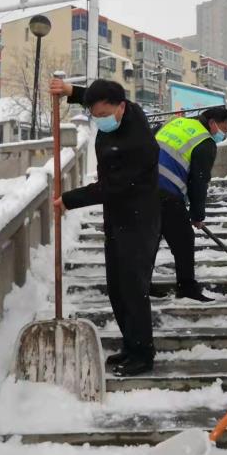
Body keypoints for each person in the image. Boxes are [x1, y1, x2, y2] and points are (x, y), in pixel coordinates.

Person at [50, 78, 160, 377]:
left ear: (120, 108)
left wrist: (68, 200)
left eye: (102, 116)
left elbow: (111, 188)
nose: (99, 121)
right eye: (94, 116)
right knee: (116, 287)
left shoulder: (139, 144)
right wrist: (72, 92)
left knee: (133, 289)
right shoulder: (127, 108)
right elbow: (96, 96)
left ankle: (142, 354)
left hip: (139, 220)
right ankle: (131, 344)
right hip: (117, 218)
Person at [151, 107, 227, 302]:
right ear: (212, 123)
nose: (224, 134)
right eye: (223, 129)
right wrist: (197, 215)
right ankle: (187, 288)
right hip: (166, 191)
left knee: (150, 238)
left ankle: (141, 283)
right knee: (184, 241)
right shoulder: (205, 141)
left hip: (142, 186)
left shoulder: (177, 122)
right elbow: (199, 180)